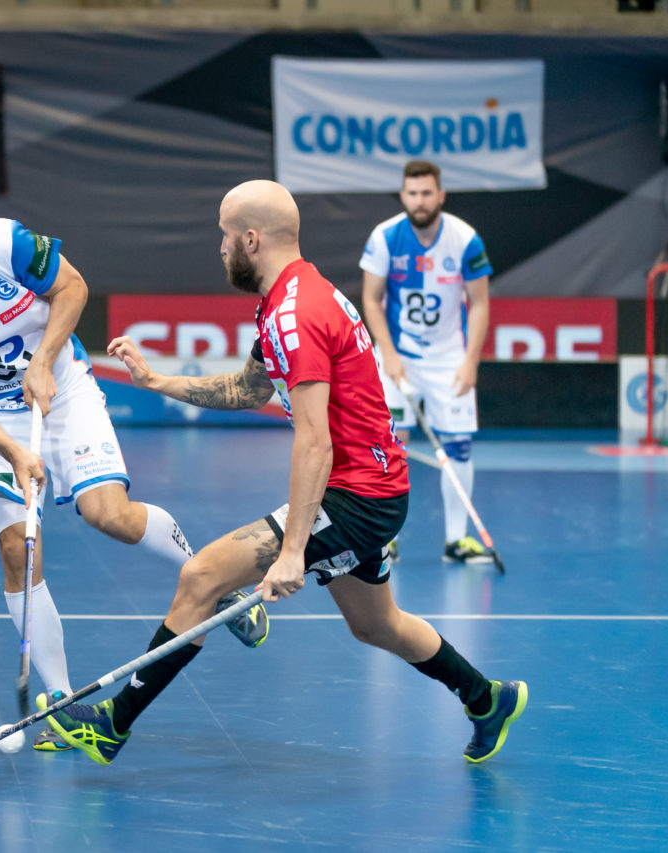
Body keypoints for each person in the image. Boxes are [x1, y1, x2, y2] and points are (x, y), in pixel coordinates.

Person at [38, 179, 526, 767]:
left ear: (251, 239)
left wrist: (293, 551)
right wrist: (157, 381)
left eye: (225, 236)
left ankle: (112, 725)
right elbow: (250, 389)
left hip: (356, 497)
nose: (220, 247)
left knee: (202, 576)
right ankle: (486, 699)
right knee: (377, 625)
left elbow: (315, 443)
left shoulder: (298, 312)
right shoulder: (288, 297)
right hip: (373, 489)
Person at [0, 168, 269, 750]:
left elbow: (73, 288)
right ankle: (64, 705)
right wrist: (13, 450)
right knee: (17, 547)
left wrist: (43, 361)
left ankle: (213, 581)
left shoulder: (3, 241)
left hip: (61, 384)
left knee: (108, 514)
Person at [360, 160, 495, 565]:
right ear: (404, 196)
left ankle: (456, 541)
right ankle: (386, 539)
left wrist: (471, 362)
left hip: (449, 359)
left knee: (459, 447)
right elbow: (371, 299)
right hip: (398, 357)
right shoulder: (385, 237)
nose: (420, 200)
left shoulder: (465, 239)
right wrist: (388, 354)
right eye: (413, 193)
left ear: (441, 195)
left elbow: (480, 303)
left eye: (427, 193)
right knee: (389, 447)